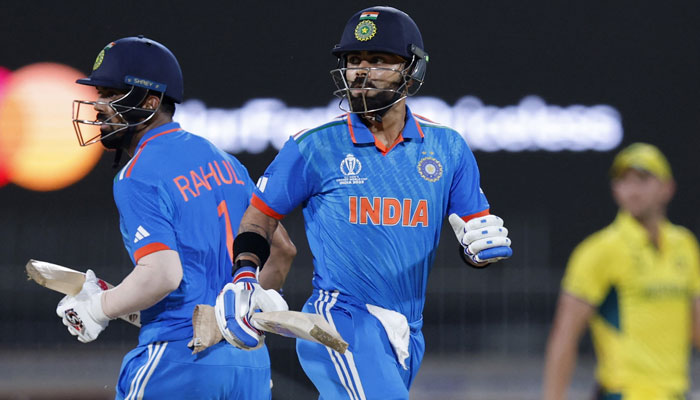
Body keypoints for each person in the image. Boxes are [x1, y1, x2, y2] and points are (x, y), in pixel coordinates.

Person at [213, 6, 512, 399]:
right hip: (340, 319)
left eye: (378, 60)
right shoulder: (314, 145)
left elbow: (474, 235)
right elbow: (259, 218)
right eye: (354, 60)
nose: (361, 71)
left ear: (411, 70)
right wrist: (245, 277)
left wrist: (481, 252)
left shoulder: (448, 148)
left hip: (407, 330)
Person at [58, 36, 294, 399]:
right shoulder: (225, 160)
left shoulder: (138, 173)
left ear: (150, 102)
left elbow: (163, 275)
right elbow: (281, 251)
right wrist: (241, 314)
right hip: (249, 364)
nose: (98, 106)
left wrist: (97, 308)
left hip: (179, 358)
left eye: (110, 94)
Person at [542, 143, 700, 400]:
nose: (632, 190)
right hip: (623, 394)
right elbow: (564, 336)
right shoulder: (598, 251)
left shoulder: (685, 246)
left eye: (643, 180)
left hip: (675, 393)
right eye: (623, 181)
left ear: (667, 188)